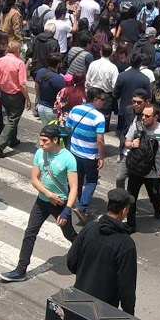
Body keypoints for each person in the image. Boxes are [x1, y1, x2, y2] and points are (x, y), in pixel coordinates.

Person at [0, 125, 80, 282]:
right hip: (42, 201)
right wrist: (48, 194)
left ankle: (86, 252)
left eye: (45, 141)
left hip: (60, 204)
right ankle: (21, 269)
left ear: (55, 140)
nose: (41, 144)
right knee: (30, 233)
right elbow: (34, 179)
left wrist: (66, 210)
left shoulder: (68, 158)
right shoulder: (39, 153)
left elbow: (74, 187)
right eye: (40, 140)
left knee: (69, 234)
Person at [67, 188, 138, 314]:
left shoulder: (89, 228)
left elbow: (71, 262)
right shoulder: (126, 244)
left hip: (78, 300)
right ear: (124, 211)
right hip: (104, 311)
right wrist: (129, 315)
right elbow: (127, 287)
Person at [123, 102, 160, 232]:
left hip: (154, 173)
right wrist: (131, 144)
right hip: (136, 170)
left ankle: (158, 209)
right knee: (131, 198)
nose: (143, 118)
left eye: (147, 116)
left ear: (156, 117)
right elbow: (126, 142)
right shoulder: (136, 126)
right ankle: (131, 225)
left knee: (155, 195)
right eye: (142, 115)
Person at [65, 87, 109, 225]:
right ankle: (82, 207)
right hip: (90, 156)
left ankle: (74, 201)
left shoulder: (75, 109)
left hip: (74, 152)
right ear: (95, 100)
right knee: (91, 182)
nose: (104, 102)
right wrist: (102, 157)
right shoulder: (99, 117)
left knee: (77, 179)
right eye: (103, 100)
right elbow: (100, 140)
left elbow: (68, 127)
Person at [0, 40, 30, 157]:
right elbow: (22, 84)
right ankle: (0, 145)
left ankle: (13, 139)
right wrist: (28, 98)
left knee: (11, 116)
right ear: (18, 50)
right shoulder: (19, 63)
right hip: (16, 95)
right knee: (13, 120)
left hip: (3, 93)